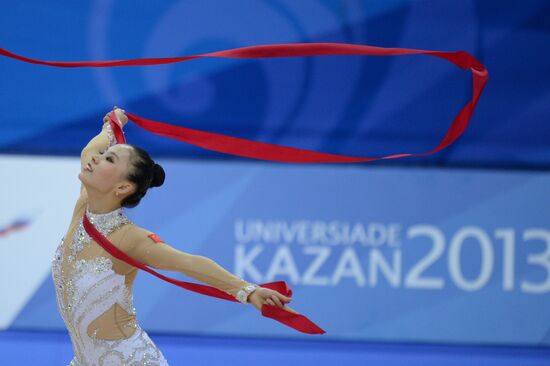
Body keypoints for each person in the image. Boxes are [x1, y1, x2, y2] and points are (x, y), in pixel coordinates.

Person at [51, 107, 295, 365]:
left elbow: (187, 262)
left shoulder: (128, 238)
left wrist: (248, 291)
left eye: (108, 159)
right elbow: (89, 149)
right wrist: (112, 125)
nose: (96, 159)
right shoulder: (83, 207)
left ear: (123, 187)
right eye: (103, 156)